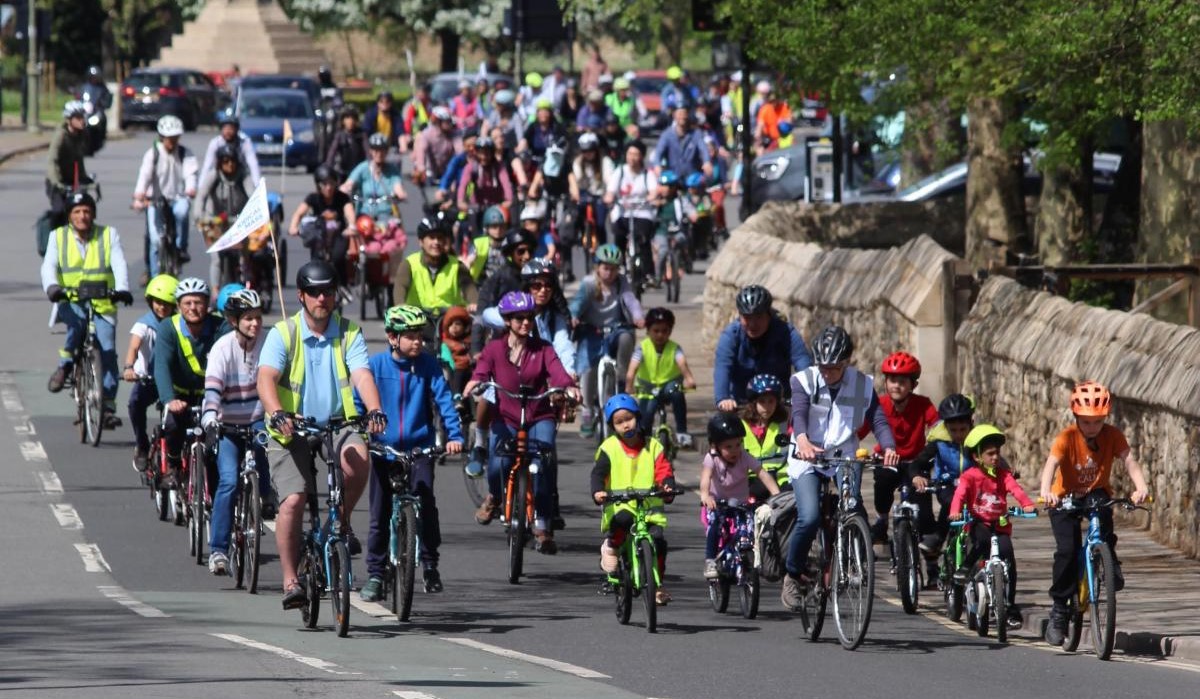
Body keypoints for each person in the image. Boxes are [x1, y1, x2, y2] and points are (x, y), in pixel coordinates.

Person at [257, 260, 388, 609]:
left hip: (337, 423)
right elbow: (266, 378)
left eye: (329, 291)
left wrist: (374, 409)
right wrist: (277, 413)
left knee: (360, 461)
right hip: (291, 427)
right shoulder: (283, 333)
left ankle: (339, 523)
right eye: (314, 292)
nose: (322, 298)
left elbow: (361, 375)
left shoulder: (349, 332)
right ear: (300, 295)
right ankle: (290, 580)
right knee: (294, 501)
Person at [781, 325, 898, 610]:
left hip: (844, 454)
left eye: (833, 368)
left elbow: (879, 420)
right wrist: (803, 440)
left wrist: (890, 446)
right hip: (807, 454)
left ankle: (852, 562)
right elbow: (798, 413)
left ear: (846, 363)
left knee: (853, 507)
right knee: (809, 516)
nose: (826, 372)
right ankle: (792, 574)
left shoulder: (862, 384)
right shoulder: (803, 381)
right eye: (822, 366)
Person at [359, 306, 464, 601]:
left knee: (426, 502)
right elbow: (359, 402)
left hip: (420, 448)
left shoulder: (429, 366)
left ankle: (430, 565)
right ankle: (377, 574)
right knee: (379, 514)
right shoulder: (376, 367)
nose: (417, 341)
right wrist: (361, 432)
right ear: (392, 338)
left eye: (420, 336)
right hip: (384, 450)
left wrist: (454, 436)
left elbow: (444, 401)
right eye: (410, 336)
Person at [466, 291, 580, 553]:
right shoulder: (494, 349)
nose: (525, 323)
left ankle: (542, 523)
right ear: (507, 320)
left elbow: (559, 374)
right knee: (497, 465)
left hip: (540, 415)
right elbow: (482, 370)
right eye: (519, 318)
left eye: (529, 317)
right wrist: (475, 381)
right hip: (506, 417)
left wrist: (569, 388)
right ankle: (495, 497)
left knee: (543, 461)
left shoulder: (544, 349)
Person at [1038, 380, 1150, 646]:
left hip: (1094, 492)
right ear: (1076, 416)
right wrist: (1047, 492)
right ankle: (1059, 611)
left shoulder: (1112, 435)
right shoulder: (1066, 438)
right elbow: (1051, 464)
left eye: (1098, 421)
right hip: (1064, 497)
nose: (1092, 427)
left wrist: (1141, 487)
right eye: (1086, 422)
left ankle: (1109, 562)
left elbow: (1129, 461)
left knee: (1105, 513)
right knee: (1067, 550)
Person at [42, 191, 134, 425]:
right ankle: (65, 367)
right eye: (77, 211)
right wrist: (52, 288)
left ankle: (108, 407)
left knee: (108, 351)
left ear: (93, 213)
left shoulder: (108, 234)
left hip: (102, 302)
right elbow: (49, 266)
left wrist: (122, 289)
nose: (82, 216)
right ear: (69, 215)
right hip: (70, 299)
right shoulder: (58, 237)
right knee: (78, 323)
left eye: (87, 211)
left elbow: (119, 263)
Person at [200, 289, 275, 575]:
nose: (255, 324)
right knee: (229, 481)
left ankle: (266, 495)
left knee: (264, 449)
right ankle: (218, 550)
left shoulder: (269, 342)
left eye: (257, 318)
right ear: (233, 321)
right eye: (248, 319)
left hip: (257, 419)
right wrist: (210, 416)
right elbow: (213, 390)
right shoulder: (222, 348)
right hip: (227, 424)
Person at [949, 424, 1037, 629]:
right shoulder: (969, 476)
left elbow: (1016, 490)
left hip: (1000, 524)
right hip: (979, 522)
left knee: (1009, 557)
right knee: (980, 542)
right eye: (990, 454)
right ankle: (965, 568)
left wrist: (1027, 504)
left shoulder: (1003, 475)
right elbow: (960, 495)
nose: (995, 458)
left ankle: (1009, 605)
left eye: (997, 453)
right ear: (977, 457)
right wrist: (955, 510)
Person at [592, 394, 677, 605]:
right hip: (619, 506)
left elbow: (664, 471)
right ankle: (611, 546)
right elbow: (598, 474)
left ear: (638, 418)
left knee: (658, 542)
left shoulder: (654, 446)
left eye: (628, 418)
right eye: (618, 422)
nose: (625, 425)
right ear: (613, 426)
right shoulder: (609, 448)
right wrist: (598, 491)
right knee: (621, 521)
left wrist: (667, 487)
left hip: (649, 510)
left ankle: (656, 585)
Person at [859, 351, 939, 546]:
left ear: (914, 385)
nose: (897, 385)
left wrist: (939, 446)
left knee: (923, 507)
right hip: (887, 460)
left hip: (916, 462)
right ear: (885, 382)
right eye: (892, 380)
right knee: (883, 485)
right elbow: (859, 432)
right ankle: (882, 520)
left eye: (903, 381)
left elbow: (938, 429)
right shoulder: (879, 405)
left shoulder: (923, 404)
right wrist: (853, 450)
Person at [570, 244, 645, 437]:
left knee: (627, 338)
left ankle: (621, 376)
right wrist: (574, 316)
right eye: (605, 268)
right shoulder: (588, 283)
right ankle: (587, 409)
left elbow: (631, 300)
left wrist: (638, 317)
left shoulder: (621, 283)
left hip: (616, 329)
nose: (609, 272)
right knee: (587, 367)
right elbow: (577, 303)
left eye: (613, 268)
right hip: (591, 330)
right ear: (597, 267)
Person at [152, 278, 225, 472]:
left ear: (208, 304)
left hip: (210, 394)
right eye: (187, 303)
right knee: (173, 426)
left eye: (198, 302)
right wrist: (169, 399)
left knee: (221, 436)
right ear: (178, 306)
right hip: (179, 394)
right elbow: (161, 366)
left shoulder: (221, 327)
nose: (193, 308)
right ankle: (173, 464)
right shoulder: (168, 328)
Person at [700, 412, 780, 579]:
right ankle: (710, 560)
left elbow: (762, 474)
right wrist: (706, 496)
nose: (735, 450)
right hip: (718, 503)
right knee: (714, 525)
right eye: (728, 447)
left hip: (740, 504)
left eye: (738, 444)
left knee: (750, 529)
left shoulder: (745, 457)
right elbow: (706, 478)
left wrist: (777, 496)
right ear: (715, 446)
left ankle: (752, 558)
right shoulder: (712, 459)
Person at [908, 393, 977, 583]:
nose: (958, 435)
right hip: (948, 486)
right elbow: (918, 463)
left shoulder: (978, 441)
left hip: (975, 487)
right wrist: (917, 476)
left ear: (971, 423)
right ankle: (938, 538)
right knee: (952, 501)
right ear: (945, 427)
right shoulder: (939, 444)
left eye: (963, 429)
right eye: (953, 430)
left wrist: (1007, 471)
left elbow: (995, 458)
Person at [713, 285, 812, 411]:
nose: (753, 324)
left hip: (778, 404)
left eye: (759, 317)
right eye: (747, 318)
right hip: (741, 404)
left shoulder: (785, 332)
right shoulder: (730, 335)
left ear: (769, 315)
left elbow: (802, 361)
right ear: (740, 316)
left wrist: (808, 390)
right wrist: (722, 398)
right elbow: (722, 366)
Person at [124, 274, 178, 474]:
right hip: (148, 379)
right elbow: (134, 346)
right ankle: (142, 444)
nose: (162, 307)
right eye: (158, 302)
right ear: (150, 301)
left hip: (173, 381)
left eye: (167, 303)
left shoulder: (178, 323)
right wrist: (129, 368)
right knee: (134, 404)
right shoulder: (144, 325)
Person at [133, 115, 199, 269]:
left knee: (182, 212)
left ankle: (180, 247)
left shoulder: (185, 153)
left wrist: (191, 188)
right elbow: (145, 175)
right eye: (169, 138)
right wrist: (139, 194)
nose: (172, 142)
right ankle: (154, 275)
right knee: (155, 241)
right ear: (162, 137)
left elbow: (191, 173)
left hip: (177, 197)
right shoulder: (153, 153)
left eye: (175, 138)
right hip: (155, 200)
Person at [626, 307, 697, 447]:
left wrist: (689, 379)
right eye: (656, 331)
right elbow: (632, 367)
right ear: (648, 330)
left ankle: (682, 432)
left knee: (677, 394)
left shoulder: (674, 348)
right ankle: (643, 439)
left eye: (665, 331)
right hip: (647, 388)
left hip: (668, 385)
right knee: (647, 412)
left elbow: (682, 363)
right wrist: (629, 385)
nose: (660, 335)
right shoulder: (642, 348)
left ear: (670, 331)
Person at [393, 216, 478, 325]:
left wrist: (474, 303)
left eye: (440, 238)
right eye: (432, 237)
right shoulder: (409, 264)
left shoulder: (457, 266)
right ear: (421, 242)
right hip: (417, 322)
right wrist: (400, 305)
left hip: (450, 322)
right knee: (398, 336)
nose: (436, 242)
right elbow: (400, 287)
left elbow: (469, 287)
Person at [196, 143, 255, 290]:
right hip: (215, 221)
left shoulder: (243, 175)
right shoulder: (213, 175)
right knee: (216, 259)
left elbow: (252, 194)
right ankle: (216, 291)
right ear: (219, 162)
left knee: (245, 255)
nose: (229, 164)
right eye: (225, 161)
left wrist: (254, 213)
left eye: (232, 161)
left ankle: (247, 284)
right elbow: (201, 196)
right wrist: (199, 216)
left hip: (238, 221)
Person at [604, 140, 656, 268]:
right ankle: (618, 268)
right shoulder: (620, 171)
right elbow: (611, 191)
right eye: (630, 154)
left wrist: (651, 197)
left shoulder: (647, 173)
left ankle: (648, 272)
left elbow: (654, 190)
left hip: (642, 211)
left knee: (643, 239)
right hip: (623, 212)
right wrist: (609, 197)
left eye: (636, 154)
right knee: (619, 237)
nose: (632, 158)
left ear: (641, 157)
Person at [741, 373, 792, 501]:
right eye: (762, 401)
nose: (767, 406)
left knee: (791, 499)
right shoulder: (742, 425)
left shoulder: (784, 424)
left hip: (781, 477)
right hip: (752, 477)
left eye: (771, 401)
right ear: (754, 403)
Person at [341, 133, 407, 224]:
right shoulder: (363, 168)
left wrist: (400, 194)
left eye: (382, 150)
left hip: (386, 216)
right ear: (371, 151)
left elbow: (397, 186)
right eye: (375, 150)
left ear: (386, 151)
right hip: (365, 215)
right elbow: (349, 183)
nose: (379, 154)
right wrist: (345, 189)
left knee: (399, 236)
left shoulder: (392, 170)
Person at [45, 101, 92, 220]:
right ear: (68, 119)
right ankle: (51, 235)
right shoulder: (60, 136)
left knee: (81, 209)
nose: (82, 120)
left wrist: (85, 178)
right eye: (78, 117)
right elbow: (52, 161)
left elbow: (79, 159)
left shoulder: (81, 135)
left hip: (72, 181)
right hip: (57, 181)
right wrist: (57, 182)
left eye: (83, 117)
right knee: (59, 211)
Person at [569, 132, 614, 247]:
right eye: (584, 151)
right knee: (576, 213)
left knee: (600, 224)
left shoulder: (605, 162)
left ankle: (603, 249)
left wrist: (608, 195)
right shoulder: (578, 162)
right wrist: (575, 193)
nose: (588, 154)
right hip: (584, 194)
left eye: (591, 150)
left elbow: (610, 181)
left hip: (600, 195)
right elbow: (575, 180)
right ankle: (579, 234)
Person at [456, 136, 514, 220]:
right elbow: (463, 185)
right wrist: (461, 201)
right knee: (463, 224)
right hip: (476, 209)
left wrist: (508, 200)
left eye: (487, 153)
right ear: (476, 153)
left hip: (496, 208)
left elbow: (506, 184)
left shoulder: (499, 167)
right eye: (481, 153)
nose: (484, 157)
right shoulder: (471, 167)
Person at [200, 113, 261, 187]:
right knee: (208, 180)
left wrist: (257, 184)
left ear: (236, 130)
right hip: (220, 172)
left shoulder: (245, 142)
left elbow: (253, 164)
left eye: (231, 129)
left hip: (240, 172)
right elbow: (207, 165)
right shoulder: (215, 143)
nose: (228, 132)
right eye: (225, 128)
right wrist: (200, 185)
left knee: (250, 186)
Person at [652, 107, 712, 181]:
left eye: (685, 114)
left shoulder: (696, 134)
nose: (682, 117)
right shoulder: (667, 134)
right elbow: (659, 152)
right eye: (680, 114)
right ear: (674, 116)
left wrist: (707, 161)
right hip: (673, 176)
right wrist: (657, 165)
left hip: (692, 176)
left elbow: (703, 149)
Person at [651, 170, 688, 284]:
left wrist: (690, 216)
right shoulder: (655, 201)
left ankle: (683, 262)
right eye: (663, 186)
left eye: (669, 186)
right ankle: (658, 275)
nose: (666, 189)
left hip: (676, 230)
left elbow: (688, 210)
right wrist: (654, 204)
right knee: (662, 251)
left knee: (682, 240)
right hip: (661, 231)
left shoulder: (680, 200)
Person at [412, 107, 458, 192]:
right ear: (438, 121)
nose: (449, 123)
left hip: (446, 172)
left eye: (450, 120)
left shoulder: (454, 134)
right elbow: (421, 152)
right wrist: (422, 169)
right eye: (446, 121)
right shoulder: (426, 135)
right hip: (429, 172)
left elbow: (459, 151)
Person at [323, 105, 368, 183]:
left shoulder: (361, 135)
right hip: (342, 172)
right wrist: (328, 167)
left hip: (359, 171)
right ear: (343, 120)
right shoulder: (339, 135)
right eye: (347, 118)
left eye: (352, 118)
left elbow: (368, 151)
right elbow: (332, 152)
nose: (350, 121)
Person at [465, 205, 510, 283]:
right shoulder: (479, 243)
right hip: (481, 285)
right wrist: (469, 263)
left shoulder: (510, 244)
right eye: (494, 226)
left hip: (504, 285)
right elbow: (469, 261)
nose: (498, 230)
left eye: (502, 226)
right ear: (487, 228)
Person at [439, 306, 474, 396]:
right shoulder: (446, 343)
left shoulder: (470, 341)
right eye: (451, 325)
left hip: (470, 366)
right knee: (457, 375)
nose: (454, 327)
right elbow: (446, 356)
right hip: (456, 367)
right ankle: (456, 394)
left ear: (465, 327)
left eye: (458, 324)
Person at [400, 83, 434, 152]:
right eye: (419, 92)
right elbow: (407, 120)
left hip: (429, 133)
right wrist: (407, 134)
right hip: (416, 134)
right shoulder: (413, 104)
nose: (420, 95)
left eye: (423, 93)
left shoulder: (431, 104)